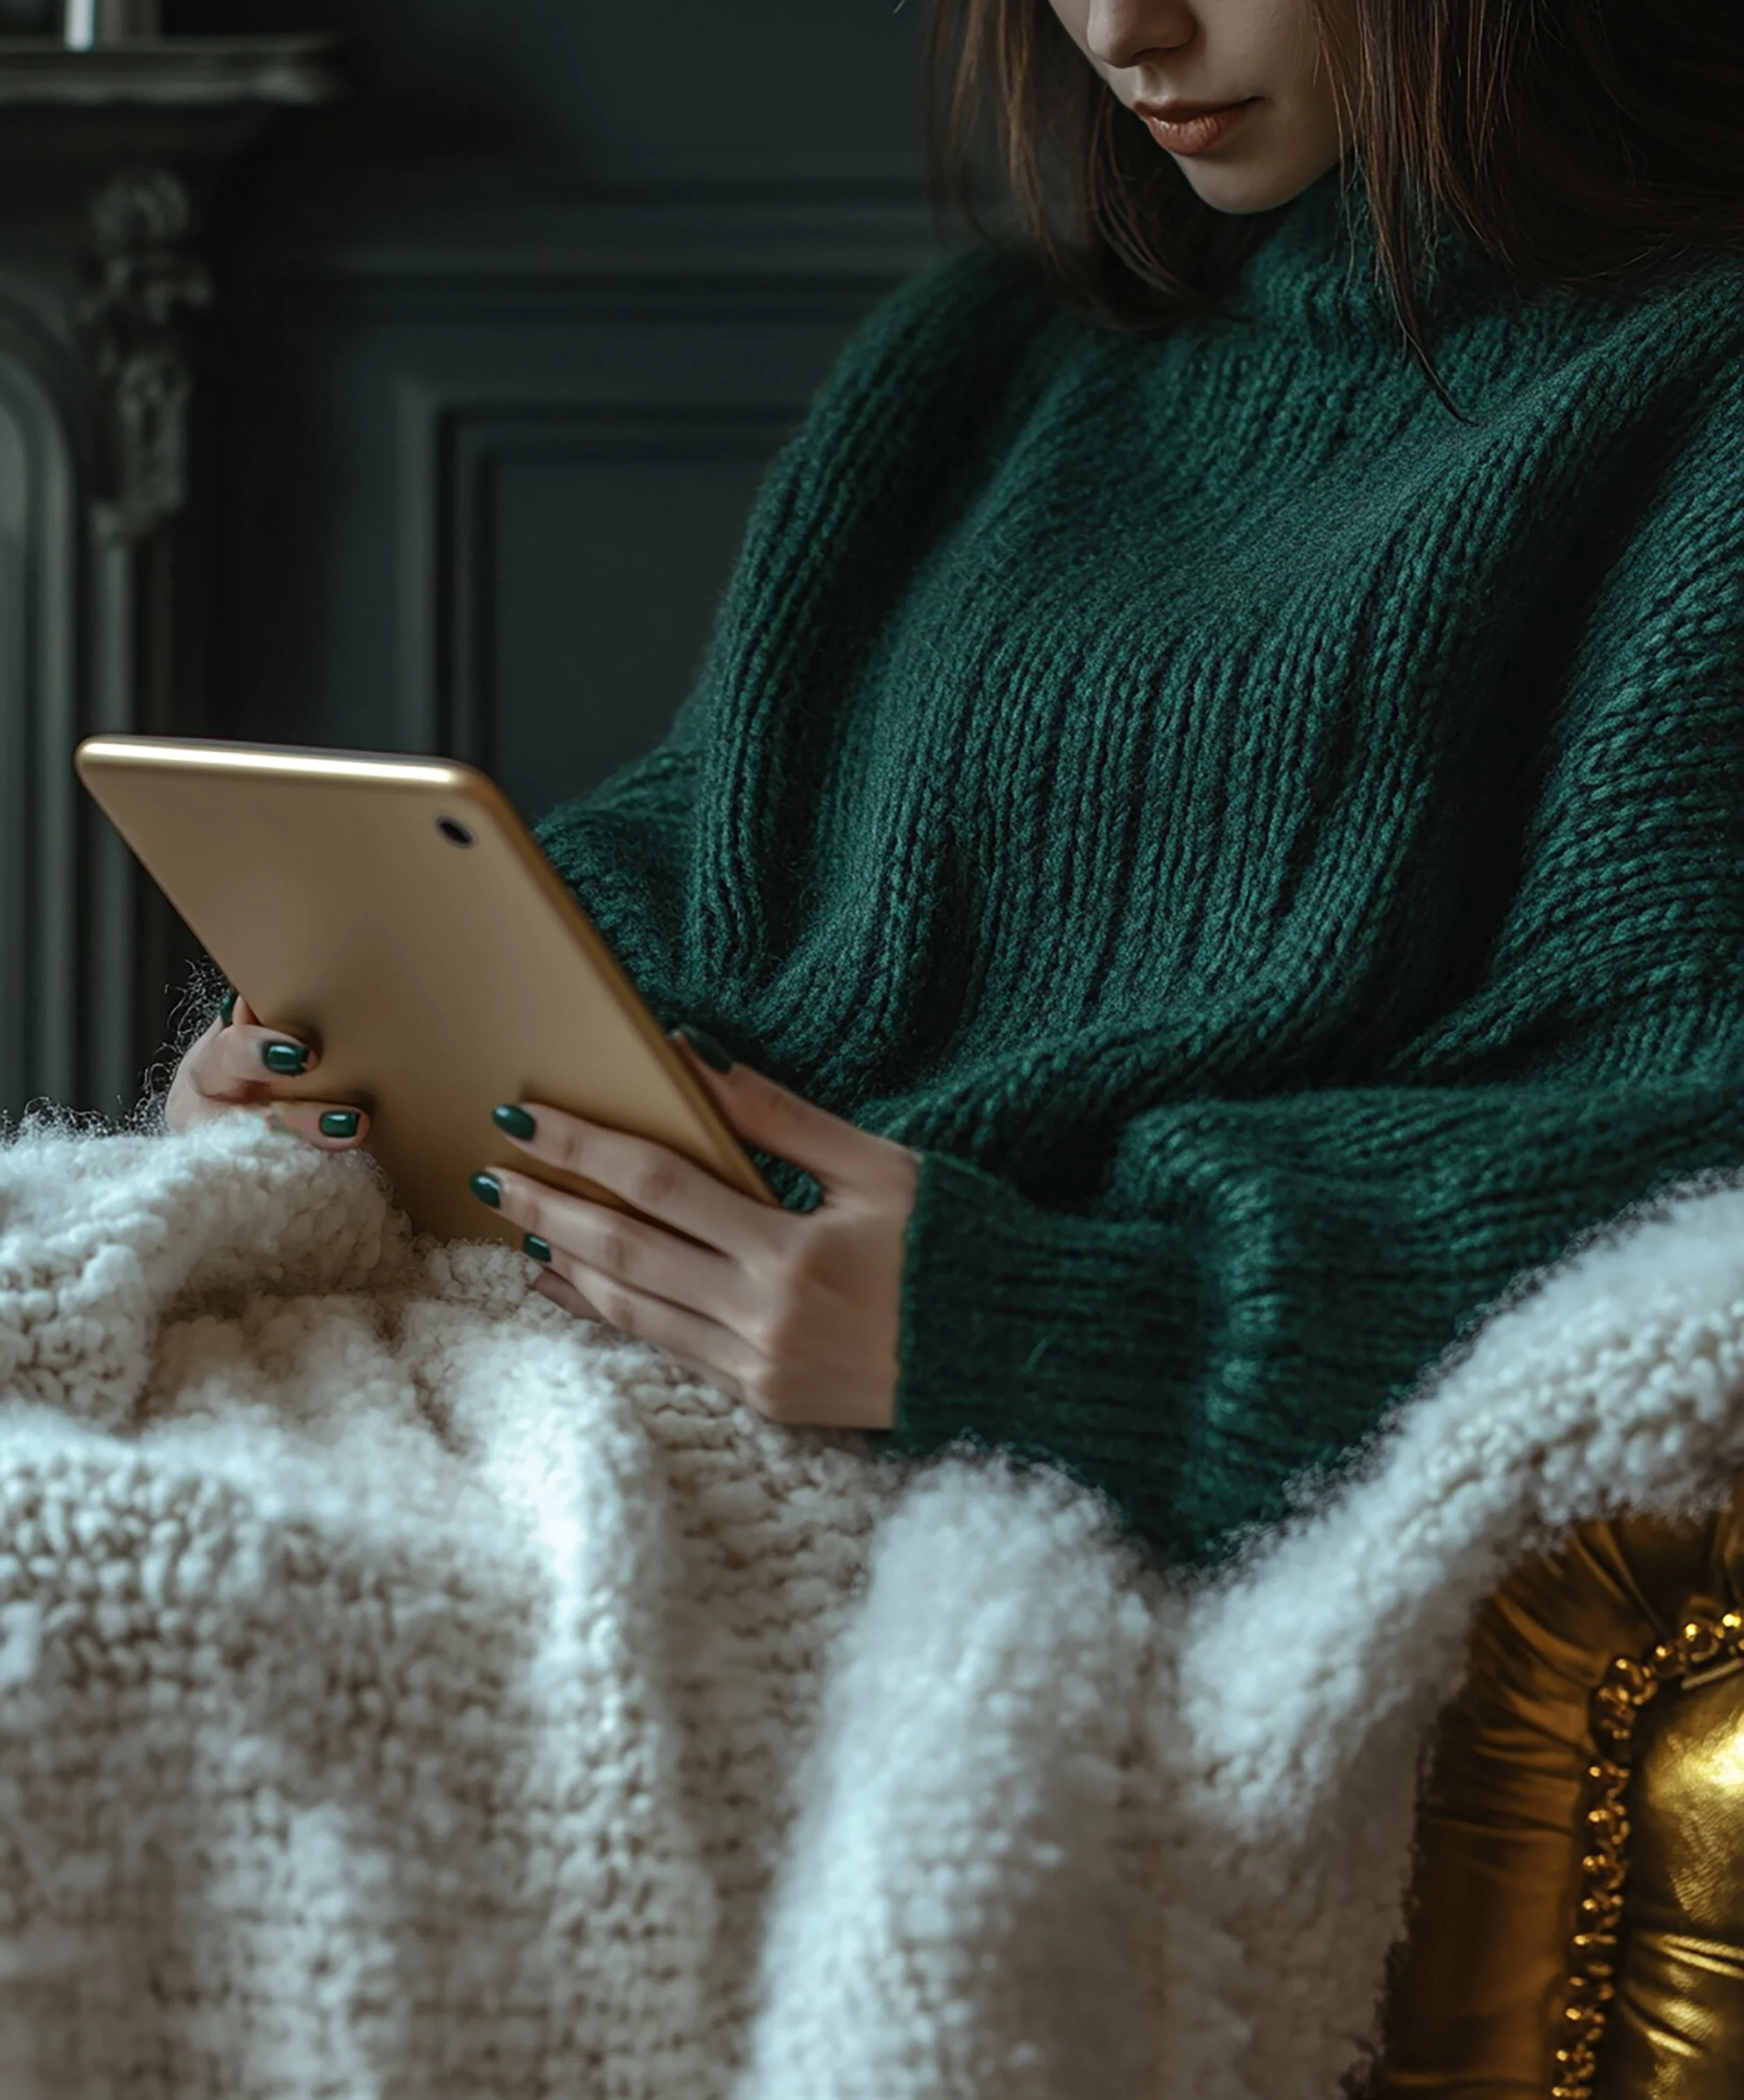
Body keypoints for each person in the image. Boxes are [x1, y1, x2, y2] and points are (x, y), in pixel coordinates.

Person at [167, 0, 1744, 1573]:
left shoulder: (1697, 392)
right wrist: (372, 1044)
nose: (1121, 29)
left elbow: (1667, 1116)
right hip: (616, 1313)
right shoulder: (981, 351)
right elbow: (721, 833)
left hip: (994, 1458)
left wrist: (1030, 1324)